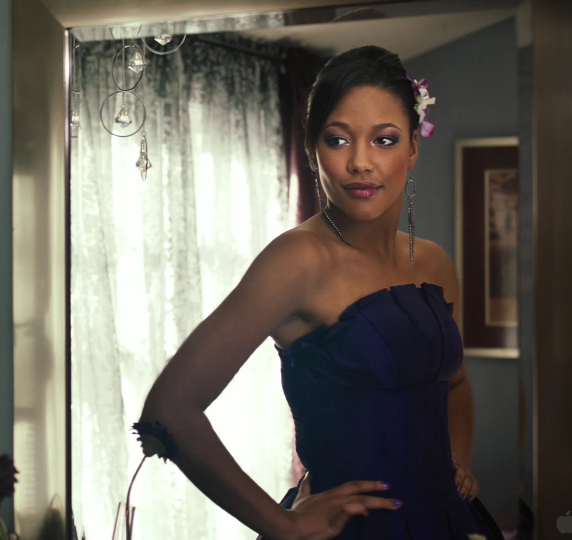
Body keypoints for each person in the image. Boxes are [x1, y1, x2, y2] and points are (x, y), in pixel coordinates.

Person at [139, 46, 503, 539]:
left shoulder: (434, 262)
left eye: (385, 140)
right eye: (337, 140)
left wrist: (458, 461)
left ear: (413, 148)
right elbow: (169, 410)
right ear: (312, 149)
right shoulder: (296, 261)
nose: (360, 162)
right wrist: (281, 524)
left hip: (447, 522)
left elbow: (454, 383)